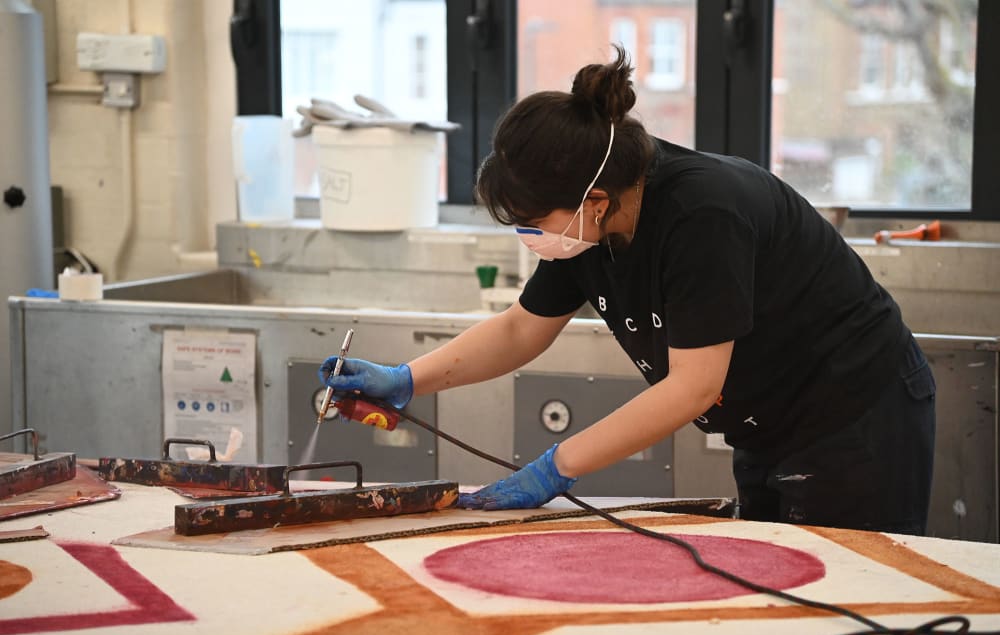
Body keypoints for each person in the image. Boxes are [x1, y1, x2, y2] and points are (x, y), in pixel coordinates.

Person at [320, 46, 936, 536]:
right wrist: (404, 379)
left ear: (593, 199)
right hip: (766, 423)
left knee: (843, 594)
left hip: (856, 414)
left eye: (536, 224)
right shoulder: (593, 223)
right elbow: (521, 328)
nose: (533, 238)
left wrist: (557, 468)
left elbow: (693, 386)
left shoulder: (703, 215)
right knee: (771, 580)